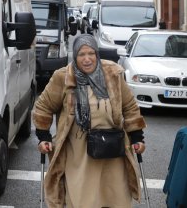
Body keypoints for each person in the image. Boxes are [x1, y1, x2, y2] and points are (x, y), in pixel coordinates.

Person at [33, 34, 147, 208]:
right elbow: (43, 107)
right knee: (81, 198)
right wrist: (44, 136)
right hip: (78, 151)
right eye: (81, 55)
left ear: (97, 54)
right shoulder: (63, 77)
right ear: (75, 56)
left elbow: (130, 107)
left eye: (91, 54)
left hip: (113, 150)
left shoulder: (113, 74)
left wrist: (137, 137)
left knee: (115, 196)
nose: (87, 59)